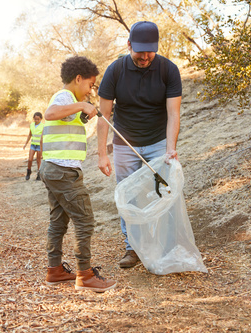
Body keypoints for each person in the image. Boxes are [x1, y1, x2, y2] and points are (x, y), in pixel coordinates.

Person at [97, 21, 182, 268]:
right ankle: (132, 248)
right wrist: (102, 154)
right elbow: (103, 116)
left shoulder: (169, 70)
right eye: (139, 50)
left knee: (163, 193)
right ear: (128, 44)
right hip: (124, 145)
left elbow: (173, 113)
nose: (145, 57)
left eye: (150, 51)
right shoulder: (115, 71)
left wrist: (170, 148)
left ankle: (165, 247)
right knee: (129, 197)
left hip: (158, 143)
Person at [40, 56, 117, 293]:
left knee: (58, 220)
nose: (91, 91)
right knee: (84, 220)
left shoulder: (68, 102)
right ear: (78, 78)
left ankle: (55, 271)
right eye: (90, 85)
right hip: (63, 171)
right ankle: (85, 275)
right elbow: (49, 114)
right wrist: (82, 106)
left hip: (54, 168)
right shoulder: (64, 98)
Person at [23, 112, 44, 181]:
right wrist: (26, 143)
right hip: (33, 145)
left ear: (41, 119)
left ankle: (39, 174)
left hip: (39, 146)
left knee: (38, 160)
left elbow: (43, 137)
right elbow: (30, 134)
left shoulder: (43, 126)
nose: (36, 120)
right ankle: (28, 171)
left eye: (38, 119)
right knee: (30, 159)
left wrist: (43, 148)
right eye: (35, 119)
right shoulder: (31, 125)